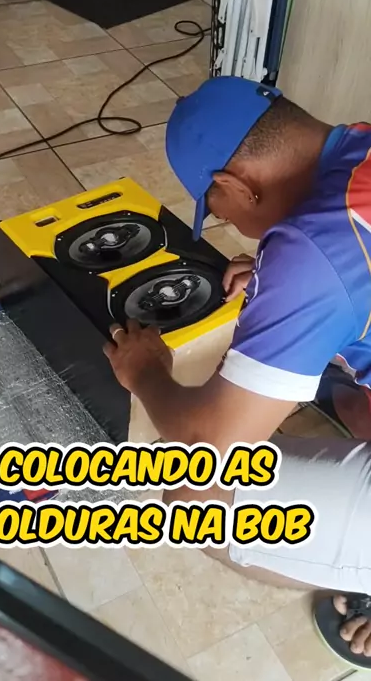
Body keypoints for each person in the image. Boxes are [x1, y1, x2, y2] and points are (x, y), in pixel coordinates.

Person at [103, 77, 371, 668]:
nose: (223, 219)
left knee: (193, 497)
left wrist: (145, 373)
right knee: (348, 393)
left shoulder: (313, 252)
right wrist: (289, 274)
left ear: (235, 184)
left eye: (216, 208)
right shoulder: (359, 144)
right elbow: (347, 261)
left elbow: (209, 443)